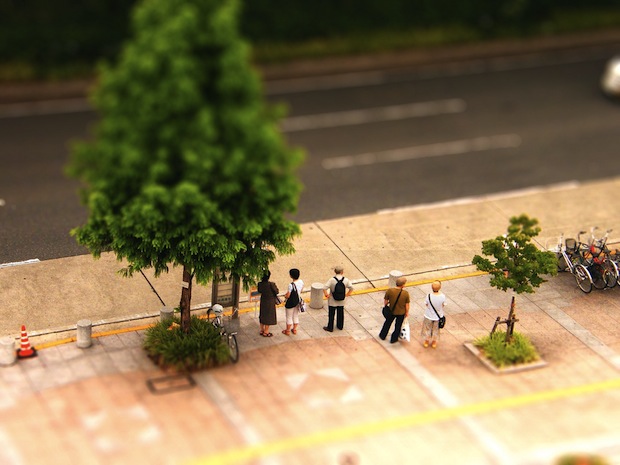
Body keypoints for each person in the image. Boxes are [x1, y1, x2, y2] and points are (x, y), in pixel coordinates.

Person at [379, 276, 410, 343]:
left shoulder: (390, 291)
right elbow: (407, 305)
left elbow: (386, 301)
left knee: (387, 323)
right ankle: (393, 339)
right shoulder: (405, 293)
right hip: (401, 313)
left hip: (391, 311)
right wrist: (407, 312)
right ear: (403, 285)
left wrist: (386, 306)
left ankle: (382, 335)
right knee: (398, 326)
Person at [323, 266, 353, 332]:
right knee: (340, 313)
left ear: (335, 271)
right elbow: (351, 288)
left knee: (331, 314)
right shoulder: (346, 280)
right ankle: (340, 326)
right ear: (342, 272)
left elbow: (324, 288)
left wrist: (326, 295)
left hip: (332, 300)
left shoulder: (331, 280)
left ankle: (330, 327)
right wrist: (347, 295)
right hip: (342, 300)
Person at [423, 280, 446, 348]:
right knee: (436, 329)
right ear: (440, 287)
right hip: (438, 316)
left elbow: (426, 304)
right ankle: (434, 342)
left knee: (427, 328)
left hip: (428, 315)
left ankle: (426, 341)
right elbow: (443, 305)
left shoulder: (429, 296)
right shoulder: (442, 296)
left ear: (431, 287)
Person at [257, 271, 279, 337]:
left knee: (262, 314)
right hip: (270, 301)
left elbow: (259, 291)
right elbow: (277, 291)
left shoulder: (260, 284)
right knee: (269, 315)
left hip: (263, 300)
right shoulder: (271, 284)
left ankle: (261, 329)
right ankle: (266, 331)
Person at [283, 268, 304, 336]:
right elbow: (301, 290)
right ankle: (294, 329)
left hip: (291, 303)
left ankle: (287, 330)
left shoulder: (291, 285)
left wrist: (285, 296)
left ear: (291, 276)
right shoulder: (301, 282)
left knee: (289, 317)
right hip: (298, 301)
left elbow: (288, 295)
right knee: (295, 315)